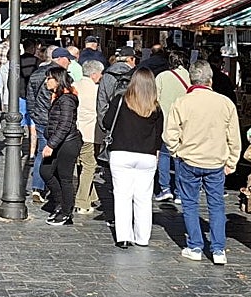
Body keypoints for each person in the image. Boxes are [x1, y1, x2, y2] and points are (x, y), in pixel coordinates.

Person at [163, 59, 242, 265]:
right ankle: (218, 250)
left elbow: (170, 134)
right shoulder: (225, 103)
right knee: (216, 205)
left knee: (190, 204)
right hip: (216, 162)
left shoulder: (181, 102)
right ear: (210, 79)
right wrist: (232, 161)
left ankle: (195, 246)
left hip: (189, 159)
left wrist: (176, 151)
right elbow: (234, 136)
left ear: (192, 79)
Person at [104, 68, 164, 248]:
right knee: (144, 198)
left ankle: (123, 236)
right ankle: (142, 237)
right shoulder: (156, 107)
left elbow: (107, 122)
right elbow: (159, 133)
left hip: (121, 152)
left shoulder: (121, 101)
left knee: (122, 196)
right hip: (147, 155)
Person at [38, 66, 81, 226]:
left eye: (49, 78)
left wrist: (51, 145)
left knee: (65, 178)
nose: (46, 81)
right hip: (57, 143)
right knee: (46, 171)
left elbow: (65, 124)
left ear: (57, 80)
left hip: (67, 143)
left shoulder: (67, 99)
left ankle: (66, 212)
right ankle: (60, 203)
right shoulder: (58, 97)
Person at [153, 51, 191, 202]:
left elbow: (155, 99)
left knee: (164, 155)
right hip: (186, 123)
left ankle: (165, 188)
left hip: (166, 122)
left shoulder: (162, 77)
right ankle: (180, 192)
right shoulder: (191, 77)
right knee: (180, 158)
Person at [26, 46, 58, 200]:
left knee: (41, 151)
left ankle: (37, 188)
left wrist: (34, 115)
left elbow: (30, 99)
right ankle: (51, 186)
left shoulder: (35, 74)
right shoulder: (59, 75)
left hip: (39, 118)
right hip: (53, 120)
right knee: (53, 152)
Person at [72, 59, 103, 214]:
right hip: (90, 133)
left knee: (81, 164)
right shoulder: (96, 90)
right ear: (94, 74)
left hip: (74, 133)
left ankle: (91, 196)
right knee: (89, 165)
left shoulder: (74, 86)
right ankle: (82, 201)